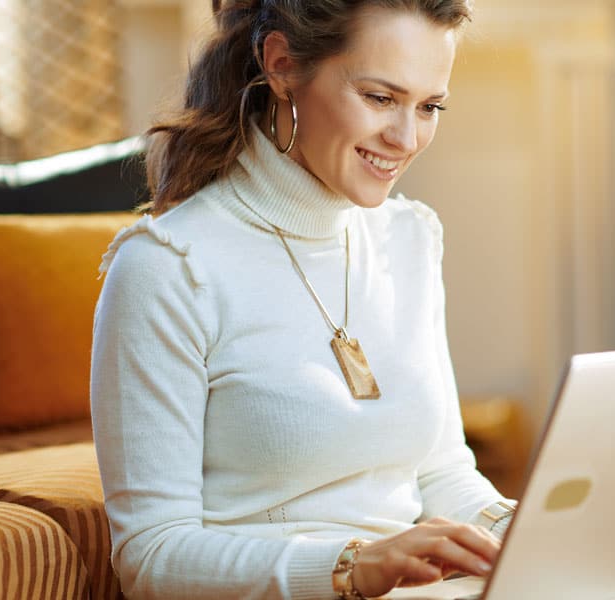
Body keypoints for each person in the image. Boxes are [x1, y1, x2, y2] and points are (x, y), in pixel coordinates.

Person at [90, 1, 516, 598]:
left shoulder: (410, 238)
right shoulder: (168, 267)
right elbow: (152, 557)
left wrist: (526, 529)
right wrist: (352, 566)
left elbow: (443, 473)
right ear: (282, 65)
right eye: (380, 98)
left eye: (429, 107)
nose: (406, 138)